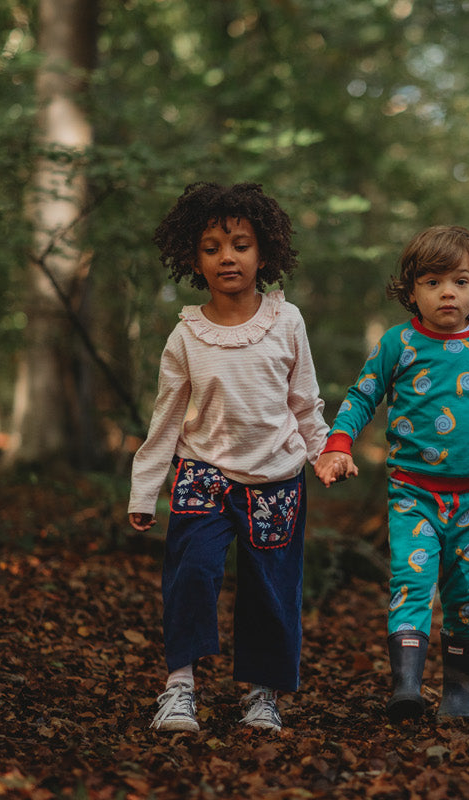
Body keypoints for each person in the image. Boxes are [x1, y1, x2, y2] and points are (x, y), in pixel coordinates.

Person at [315, 225, 469, 719]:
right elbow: (363, 395)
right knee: (411, 584)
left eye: (460, 282)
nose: (448, 292)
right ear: (411, 289)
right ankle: (407, 686)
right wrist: (338, 443)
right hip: (412, 493)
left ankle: (460, 688)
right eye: (433, 281)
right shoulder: (400, 343)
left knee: (467, 592)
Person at [127, 182, 328, 733]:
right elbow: (165, 419)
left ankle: (262, 695)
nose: (227, 257)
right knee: (190, 573)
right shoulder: (186, 335)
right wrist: (145, 489)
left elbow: (304, 403)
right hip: (202, 476)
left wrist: (325, 452)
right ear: (194, 259)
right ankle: (179, 688)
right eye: (212, 247)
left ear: (263, 253)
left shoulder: (286, 322)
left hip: (276, 479)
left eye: (240, 244)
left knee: (270, 585)